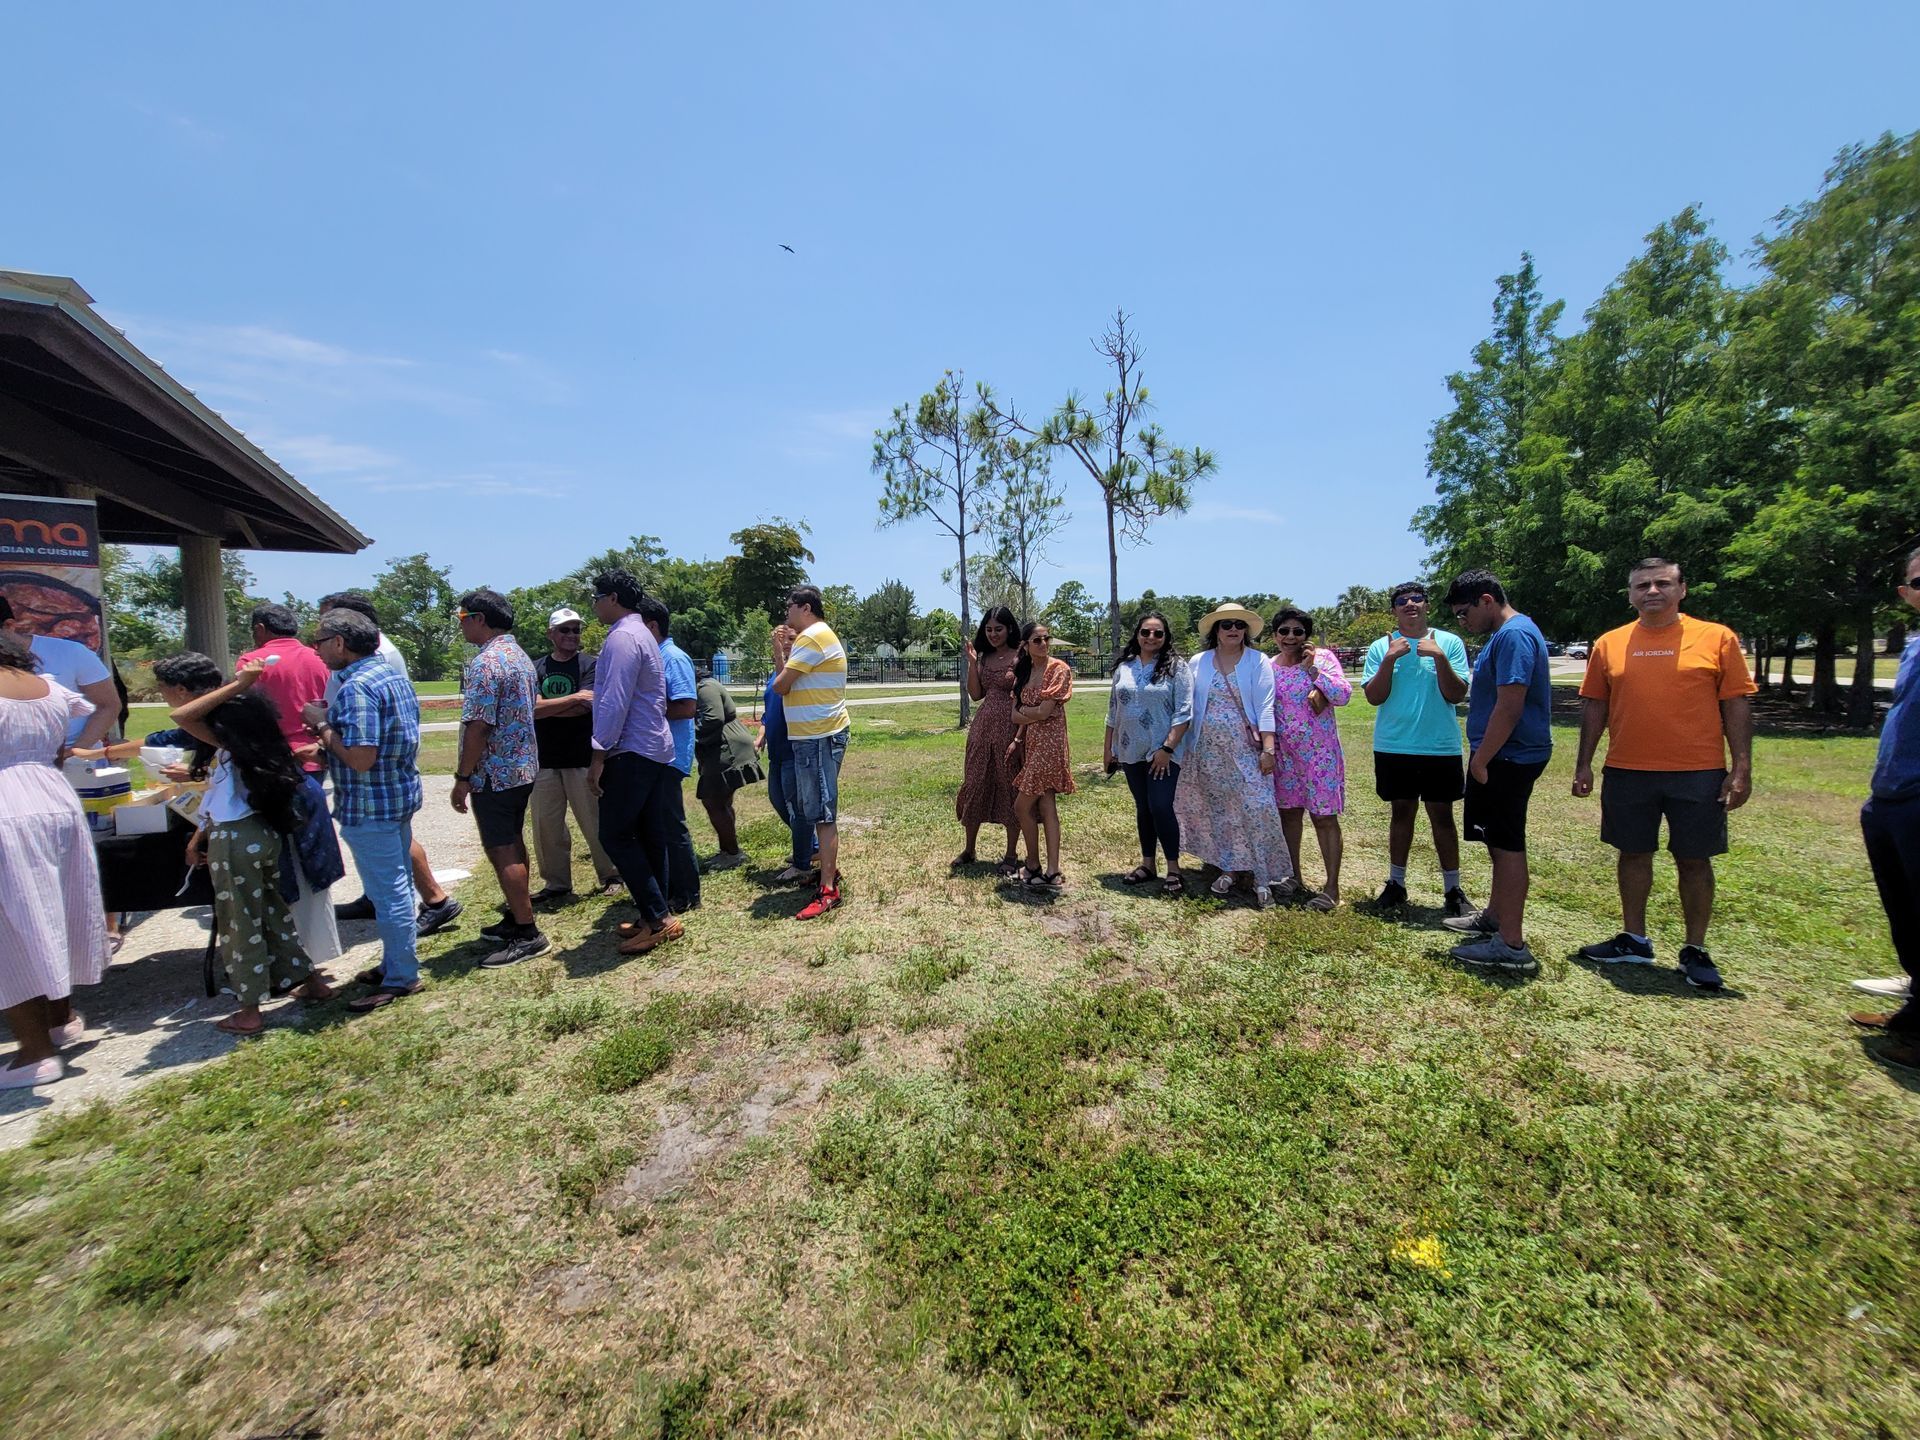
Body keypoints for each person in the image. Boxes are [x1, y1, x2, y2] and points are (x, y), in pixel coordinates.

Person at [1570, 558, 1755, 992]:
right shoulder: (1610, 644)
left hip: (1698, 771)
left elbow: (1736, 703)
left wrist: (1741, 766)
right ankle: (1634, 937)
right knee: (1632, 853)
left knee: (1693, 859)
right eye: (1642, 585)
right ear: (1631, 594)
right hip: (1627, 769)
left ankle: (1695, 949)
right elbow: (1595, 704)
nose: (1652, 591)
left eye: (1662, 583)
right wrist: (1584, 762)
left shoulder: (1716, 638)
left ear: (1682, 589)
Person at [170, 661, 336, 1033]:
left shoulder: (233, 748)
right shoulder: (263, 747)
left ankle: (249, 1009)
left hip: (235, 839)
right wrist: (199, 837)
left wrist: (237, 685)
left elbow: (182, 715)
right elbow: (217, 800)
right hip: (261, 834)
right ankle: (309, 981)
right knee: (274, 911)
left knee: (239, 921)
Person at [302, 608, 426, 1012]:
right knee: (398, 887)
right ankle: (396, 962)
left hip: (371, 803)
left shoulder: (356, 688)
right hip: (397, 795)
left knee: (388, 894)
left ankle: (402, 978)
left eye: (320, 642)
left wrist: (322, 725)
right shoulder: (391, 676)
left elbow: (359, 758)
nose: (316, 650)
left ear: (340, 642)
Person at [318, 592, 462, 936]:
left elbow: (369, 747)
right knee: (392, 852)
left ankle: (428, 911)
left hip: (374, 780)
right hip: (380, 774)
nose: (317, 645)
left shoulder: (374, 664)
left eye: (323, 635)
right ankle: (382, 903)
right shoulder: (374, 661)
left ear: (345, 636)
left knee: (393, 863)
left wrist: (323, 727)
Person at [0, 630, 108, 1088]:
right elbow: (67, 744)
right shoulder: (47, 688)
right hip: (53, 795)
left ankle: (34, 1052)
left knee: (11, 929)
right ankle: (61, 1019)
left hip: (7, 802)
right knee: (59, 908)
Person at [1442, 569, 1552, 971]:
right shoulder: (1505, 635)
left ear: (1486, 600)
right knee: (1497, 843)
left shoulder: (1514, 635)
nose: (1462, 621)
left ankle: (1511, 944)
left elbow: (1510, 704)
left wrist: (1482, 758)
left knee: (1507, 847)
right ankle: (1494, 917)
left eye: (1462, 613)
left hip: (1508, 757)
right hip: (1503, 755)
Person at [1360, 581, 1475, 917]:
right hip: (1394, 745)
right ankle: (1396, 884)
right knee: (1401, 813)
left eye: (1417, 599)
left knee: (1442, 816)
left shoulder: (1449, 642)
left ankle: (1453, 889)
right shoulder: (1382, 646)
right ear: (1394, 610)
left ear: (1427, 605)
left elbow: (1456, 695)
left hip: (1440, 745)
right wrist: (1390, 659)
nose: (1410, 604)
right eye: (1402, 600)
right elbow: (1374, 697)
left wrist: (1439, 658)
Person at [1847, 547, 1920, 1072]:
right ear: (1906, 593)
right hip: (1893, 797)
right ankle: (1916, 1012)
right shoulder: (1914, 647)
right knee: (1907, 912)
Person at [587, 570, 683, 956]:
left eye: (596, 597)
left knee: (615, 834)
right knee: (647, 835)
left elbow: (614, 700)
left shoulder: (624, 638)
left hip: (632, 750)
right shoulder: (642, 633)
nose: (593, 604)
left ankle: (658, 919)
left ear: (612, 598)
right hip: (653, 748)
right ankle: (652, 916)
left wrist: (598, 754)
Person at [1173, 604, 1294, 906]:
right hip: (1206, 750)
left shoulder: (1258, 661)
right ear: (1216, 630)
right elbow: (1187, 704)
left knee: (1257, 808)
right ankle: (1228, 866)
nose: (1233, 630)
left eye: (1239, 625)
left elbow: (1266, 706)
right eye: (1226, 624)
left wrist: (1269, 749)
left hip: (1246, 749)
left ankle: (1262, 875)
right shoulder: (1199, 662)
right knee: (1221, 811)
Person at [452, 589, 548, 968]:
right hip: (522, 768)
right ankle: (516, 914)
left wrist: (463, 776)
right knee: (513, 841)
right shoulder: (520, 657)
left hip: (494, 772)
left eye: (462, 617)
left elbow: (479, 726)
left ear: (478, 618)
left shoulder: (487, 663)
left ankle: (527, 934)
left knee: (501, 848)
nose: (461, 625)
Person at [530, 606, 619, 903]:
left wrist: (553, 707)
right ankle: (556, 884)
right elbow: (532, 710)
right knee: (547, 826)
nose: (572, 635)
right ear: (551, 634)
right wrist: (574, 698)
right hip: (544, 761)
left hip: (583, 757)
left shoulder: (590, 665)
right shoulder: (537, 667)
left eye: (576, 630)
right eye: (565, 630)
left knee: (595, 822)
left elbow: (588, 706)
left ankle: (611, 875)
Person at [773, 586, 851, 920]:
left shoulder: (811, 637)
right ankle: (827, 874)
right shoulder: (817, 636)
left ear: (805, 608)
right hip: (814, 736)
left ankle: (828, 889)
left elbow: (781, 685)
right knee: (814, 809)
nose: (786, 612)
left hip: (819, 736)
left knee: (821, 812)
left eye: (789, 606)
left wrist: (781, 658)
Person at [1104, 609, 1192, 894]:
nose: (1151, 637)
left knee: (1160, 806)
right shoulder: (1124, 667)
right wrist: (1109, 750)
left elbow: (1184, 712)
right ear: (1137, 635)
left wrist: (1167, 748)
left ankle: (1174, 869)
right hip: (1130, 750)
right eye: (1145, 632)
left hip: (1162, 752)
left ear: (1166, 637)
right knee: (1143, 807)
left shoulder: (1177, 667)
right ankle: (1147, 864)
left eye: (1158, 633)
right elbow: (1113, 711)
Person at [1269, 606, 1351, 909]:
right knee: (1289, 815)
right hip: (1284, 755)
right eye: (1284, 631)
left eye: (1297, 631)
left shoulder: (1324, 659)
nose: (1290, 637)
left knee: (1324, 818)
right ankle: (1293, 876)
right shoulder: (1269, 666)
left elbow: (1342, 696)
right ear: (1275, 635)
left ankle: (1331, 888)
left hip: (1320, 755)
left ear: (1307, 636)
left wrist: (1312, 669)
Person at [637, 594, 701, 913]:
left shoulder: (672, 658)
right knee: (658, 826)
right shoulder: (655, 656)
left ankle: (687, 893)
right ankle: (671, 888)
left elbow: (686, 707)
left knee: (670, 826)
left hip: (669, 757)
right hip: (654, 756)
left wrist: (642, 711)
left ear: (651, 626)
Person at [954, 605, 1024, 876]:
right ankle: (969, 849)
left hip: (1010, 725)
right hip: (982, 727)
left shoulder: (1021, 656)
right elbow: (975, 695)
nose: (994, 634)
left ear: (1009, 629)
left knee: (1010, 786)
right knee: (975, 781)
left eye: (999, 629)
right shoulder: (983, 657)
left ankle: (1010, 853)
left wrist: (1019, 737)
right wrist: (972, 663)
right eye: (989, 629)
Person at [0, 594, 116, 751]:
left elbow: (108, 705)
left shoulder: (71, 653)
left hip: (72, 762)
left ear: (9, 626)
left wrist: (77, 750)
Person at [1010, 621, 1076, 893]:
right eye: (1037, 640)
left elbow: (1046, 712)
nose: (1044, 644)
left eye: (1046, 638)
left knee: (1021, 806)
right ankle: (1050, 870)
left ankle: (1036, 862)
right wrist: (1029, 716)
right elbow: (1015, 715)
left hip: (1050, 745)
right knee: (1046, 805)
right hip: (1033, 744)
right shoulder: (1025, 671)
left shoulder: (1058, 669)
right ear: (1025, 645)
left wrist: (1028, 712)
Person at [237, 602, 333, 774]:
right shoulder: (321, 658)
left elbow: (245, 714)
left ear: (259, 628)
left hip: (272, 757)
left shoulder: (252, 662)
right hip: (315, 753)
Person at [758, 624, 817, 883]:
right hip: (777, 751)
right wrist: (761, 734)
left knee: (797, 809)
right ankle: (811, 847)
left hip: (794, 750)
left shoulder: (795, 673)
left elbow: (785, 690)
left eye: (792, 639)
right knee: (779, 801)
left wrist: (777, 652)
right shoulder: (776, 673)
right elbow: (769, 708)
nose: (786, 643)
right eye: (783, 639)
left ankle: (803, 862)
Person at [693, 665, 764, 868]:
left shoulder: (705, 688)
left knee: (713, 801)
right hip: (722, 746)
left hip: (726, 748)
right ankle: (728, 850)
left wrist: (689, 735)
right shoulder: (705, 686)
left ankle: (732, 853)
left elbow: (713, 718)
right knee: (720, 802)